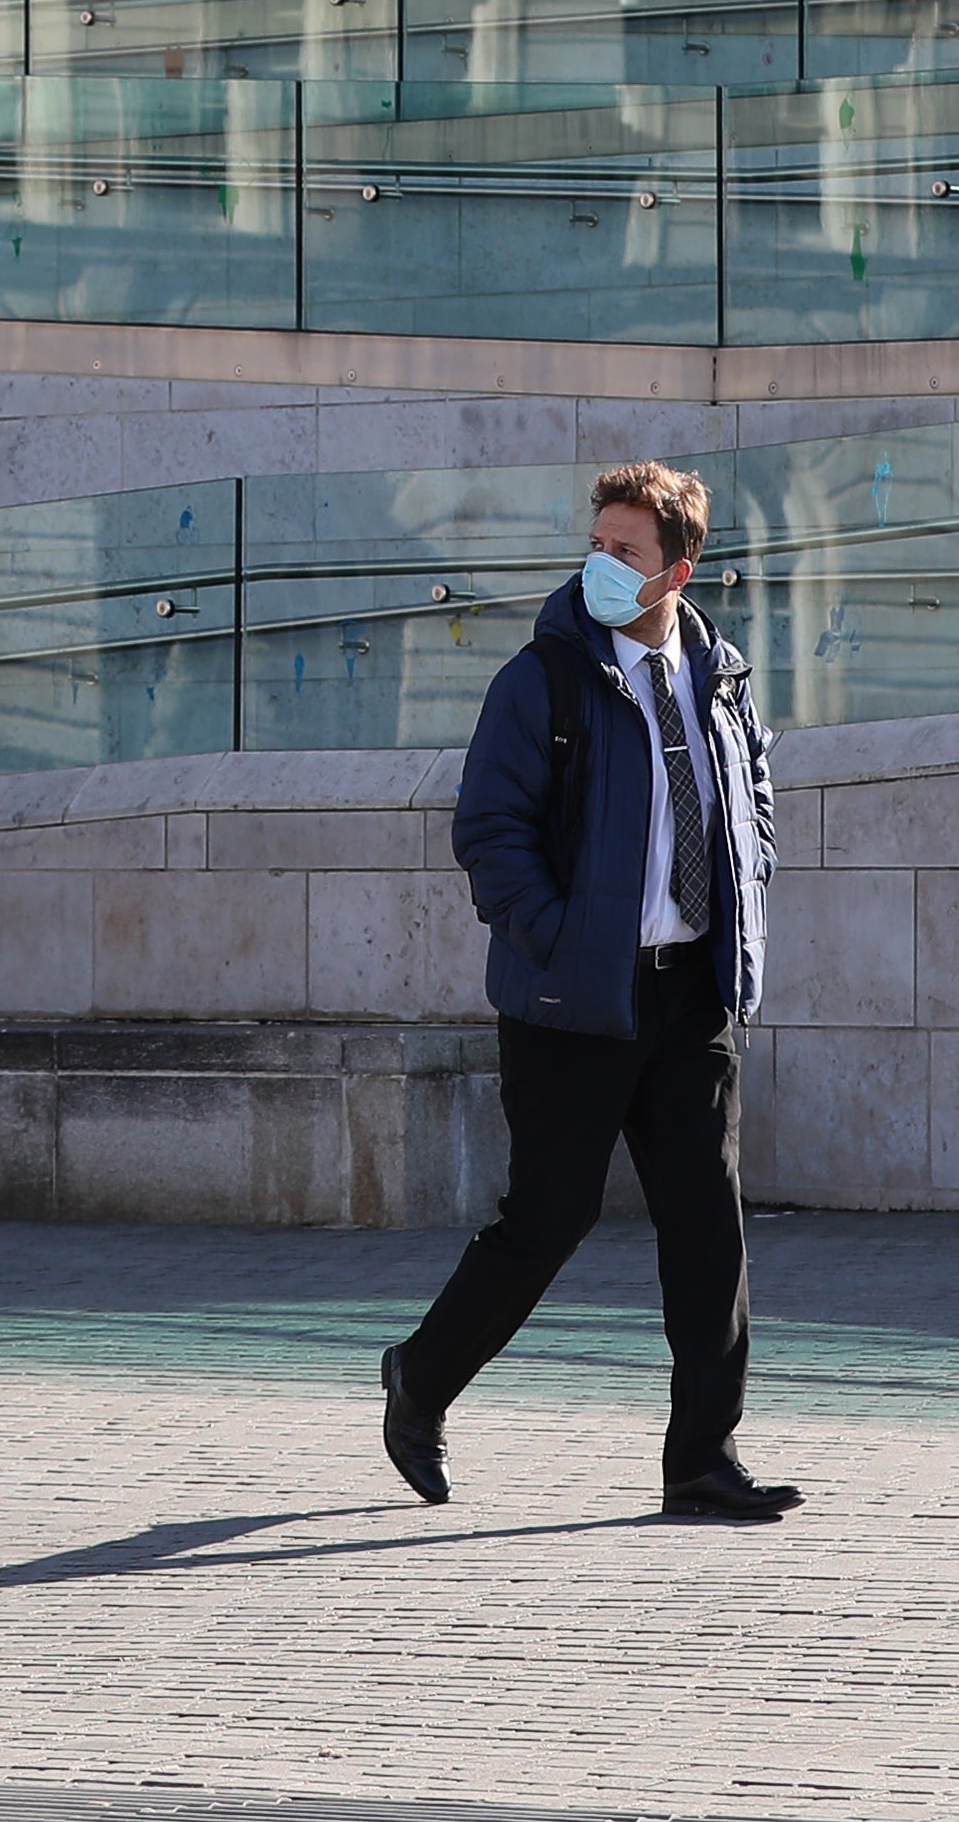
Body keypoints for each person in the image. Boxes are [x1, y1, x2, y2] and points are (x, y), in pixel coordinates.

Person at [378, 458, 798, 1524]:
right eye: (597, 542)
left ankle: (700, 1459)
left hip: (687, 994)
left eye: (626, 549)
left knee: (709, 1227)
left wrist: (742, 905)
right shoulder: (544, 677)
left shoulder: (719, 672)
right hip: (573, 1000)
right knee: (547, 1220)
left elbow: (750, 796)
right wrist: (559, 938)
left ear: (678, 570)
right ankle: (419, 1381)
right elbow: (487, 829)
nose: (602, 563)